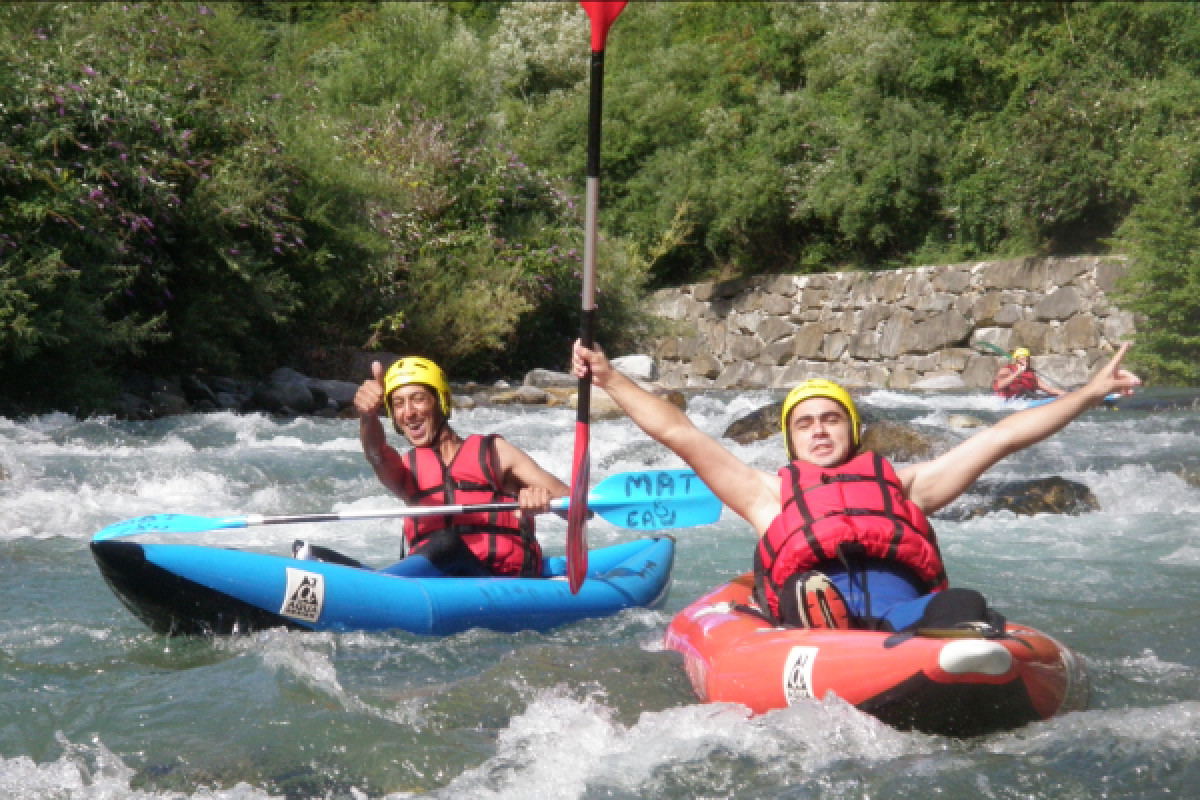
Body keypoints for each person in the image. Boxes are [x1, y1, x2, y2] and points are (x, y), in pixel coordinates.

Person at [571, 340, 1140, 631]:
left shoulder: (905, 484)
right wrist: (611, 378)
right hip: (810, 605)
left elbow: (1002, 438)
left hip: (903, 614)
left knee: (965, 604)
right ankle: (827, 627)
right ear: (791, 441)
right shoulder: (765, 494)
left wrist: (1089, 393)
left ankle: (937, 642)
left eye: (832, 418)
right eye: (805, 423)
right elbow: (680, 433)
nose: (819, 430)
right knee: (806, 592)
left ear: (853, 429)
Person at [349, 356, 569, 578]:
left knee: (446, 543)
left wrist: (543, 500)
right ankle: (371, 583)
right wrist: (367, 416)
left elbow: (578, 507)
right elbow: (376, 454)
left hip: (497, 582)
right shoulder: (406, 470)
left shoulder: (495, 452)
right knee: (318, 555)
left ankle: (383, 584)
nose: (408, 412)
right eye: (398, 404)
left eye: (418, 399)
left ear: (441, 401)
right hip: (434, 586)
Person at [992, 347, 1065, 400]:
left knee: (1046, 395)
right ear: (1016, 360)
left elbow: (1050, 389)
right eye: (1022, 360)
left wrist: (1067, 395)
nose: (1025, 363)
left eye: (1027, 360)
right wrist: (1018, 373)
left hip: (1026, 399)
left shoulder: (1030, 375)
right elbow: (1000, 385)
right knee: (1025, 392)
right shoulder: (1006, 370)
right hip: (1007, 401)